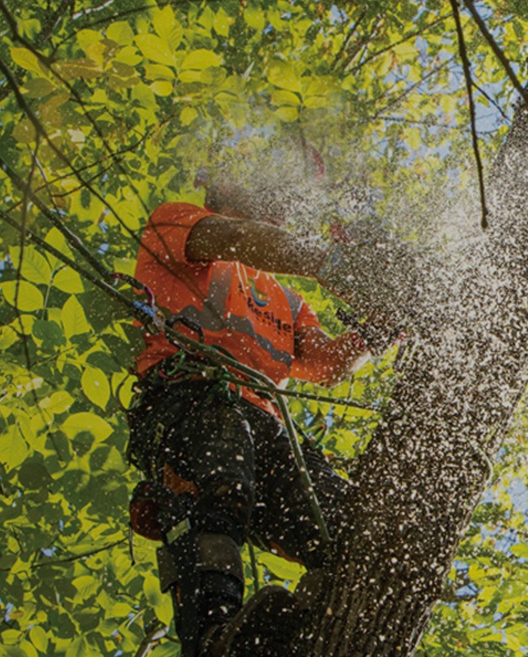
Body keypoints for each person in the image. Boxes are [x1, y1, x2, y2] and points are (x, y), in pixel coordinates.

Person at [124, 150, 396, 657]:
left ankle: (316, 629)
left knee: (343, 528)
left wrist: (380, 326)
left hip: (269, 427)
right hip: (190, 399)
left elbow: (327, 364)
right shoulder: (180, 223)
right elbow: (241, 239)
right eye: (270, 190)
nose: (282, 207)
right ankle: (211, 636)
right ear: (227, 187)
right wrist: (335, 264)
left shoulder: (286, 300)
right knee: (223, 480)